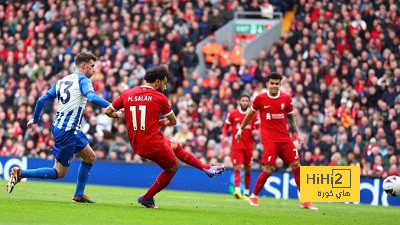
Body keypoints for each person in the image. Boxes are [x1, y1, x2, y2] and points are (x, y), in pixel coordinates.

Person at [6, 52, 122, 203]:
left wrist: (35, 119)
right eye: (92, 66)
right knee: (59, 172)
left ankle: (79, 194)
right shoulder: (84, 80)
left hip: (68, 129)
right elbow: (92, 97)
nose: (94, 70)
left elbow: (41, 100)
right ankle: (20, 173)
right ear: (84, 65)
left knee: (90, 156)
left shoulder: (63, 80)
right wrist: (113, 106)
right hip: (67, 131)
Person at [104, 65, 226, 208]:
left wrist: (117, 114)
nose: (165, 86)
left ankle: (206, 168)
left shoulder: (127, 93)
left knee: (175, 145)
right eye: (164, 82)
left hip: (136, 142)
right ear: (157, 82)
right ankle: (147, 198)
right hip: (152, 142)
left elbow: (107, 111)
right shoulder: (159, 97)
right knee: (172, 167)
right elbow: (173, 121)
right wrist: (164, 122)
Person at [235, 72, 318, 210]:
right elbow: (250, 115)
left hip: (285, 139)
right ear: (267, 84)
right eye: (272, 83)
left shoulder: (286, 99)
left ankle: (305, 200)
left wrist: (298, 134)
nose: (274, 86)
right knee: (268, 169)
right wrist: (240, 130)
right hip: (269, 140)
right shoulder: (260, 99)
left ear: (280, 84)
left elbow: (291, 118)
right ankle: (254, 196)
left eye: (277, 83)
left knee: (296, 165)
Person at [221, 92, 259, 200]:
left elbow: (259, 126)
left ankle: (246, 193)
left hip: (249, 146)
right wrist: (224, 136)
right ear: (239, 101)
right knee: (237, 167)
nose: (244, 103)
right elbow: (225, 127)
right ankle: (237, 191)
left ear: (249, 102)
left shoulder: (253, 114)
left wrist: (257, 132)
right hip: (236, 146)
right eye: (243, 100)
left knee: (247, 169)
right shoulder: (232, 113)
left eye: (246, 101)